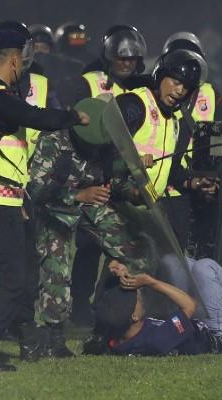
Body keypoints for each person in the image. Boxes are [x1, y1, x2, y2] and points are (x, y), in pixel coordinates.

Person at [0, 28, 88, 372]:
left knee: (23, 272)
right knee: (13, 279)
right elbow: (35, 117)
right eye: (22, 60)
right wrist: (72, 117)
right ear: (14, 60)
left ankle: (29, 340)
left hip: (8, 197)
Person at [28, 105, 151, 358]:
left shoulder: (106, 142)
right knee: (56, 268)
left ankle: (107, 322)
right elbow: (37, 190)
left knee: (137, 250)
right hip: (56, 208)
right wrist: (77, 195)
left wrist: (133, 191)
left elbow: (114, 180)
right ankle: (52, 336)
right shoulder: (52, 142)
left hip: (92, 206)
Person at [70, 24, 149, 326]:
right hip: (92, 176)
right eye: (120, 58)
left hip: (128, 177)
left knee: (125, 246)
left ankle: (108, 303)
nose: (127, 63)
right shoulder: (89, 84)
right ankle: (79, 303)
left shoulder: (142, 88)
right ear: (108, 57)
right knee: (89, 245)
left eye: (132, 59)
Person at [161, 31, 222, 273]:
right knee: (174, 254)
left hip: (206, 184)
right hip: (168, 189)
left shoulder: (210, 94)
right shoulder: (155, 96)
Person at [95, 256, 222, 356]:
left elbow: (109, 304)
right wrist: (151, 282)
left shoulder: (116, 333)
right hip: (213, 334)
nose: (140, 294)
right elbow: (189, 305)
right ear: (134, 317)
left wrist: (121, 273)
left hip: (189, 320)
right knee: (205, 267)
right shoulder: (157, 340)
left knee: (172, 261)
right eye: (137, 298)